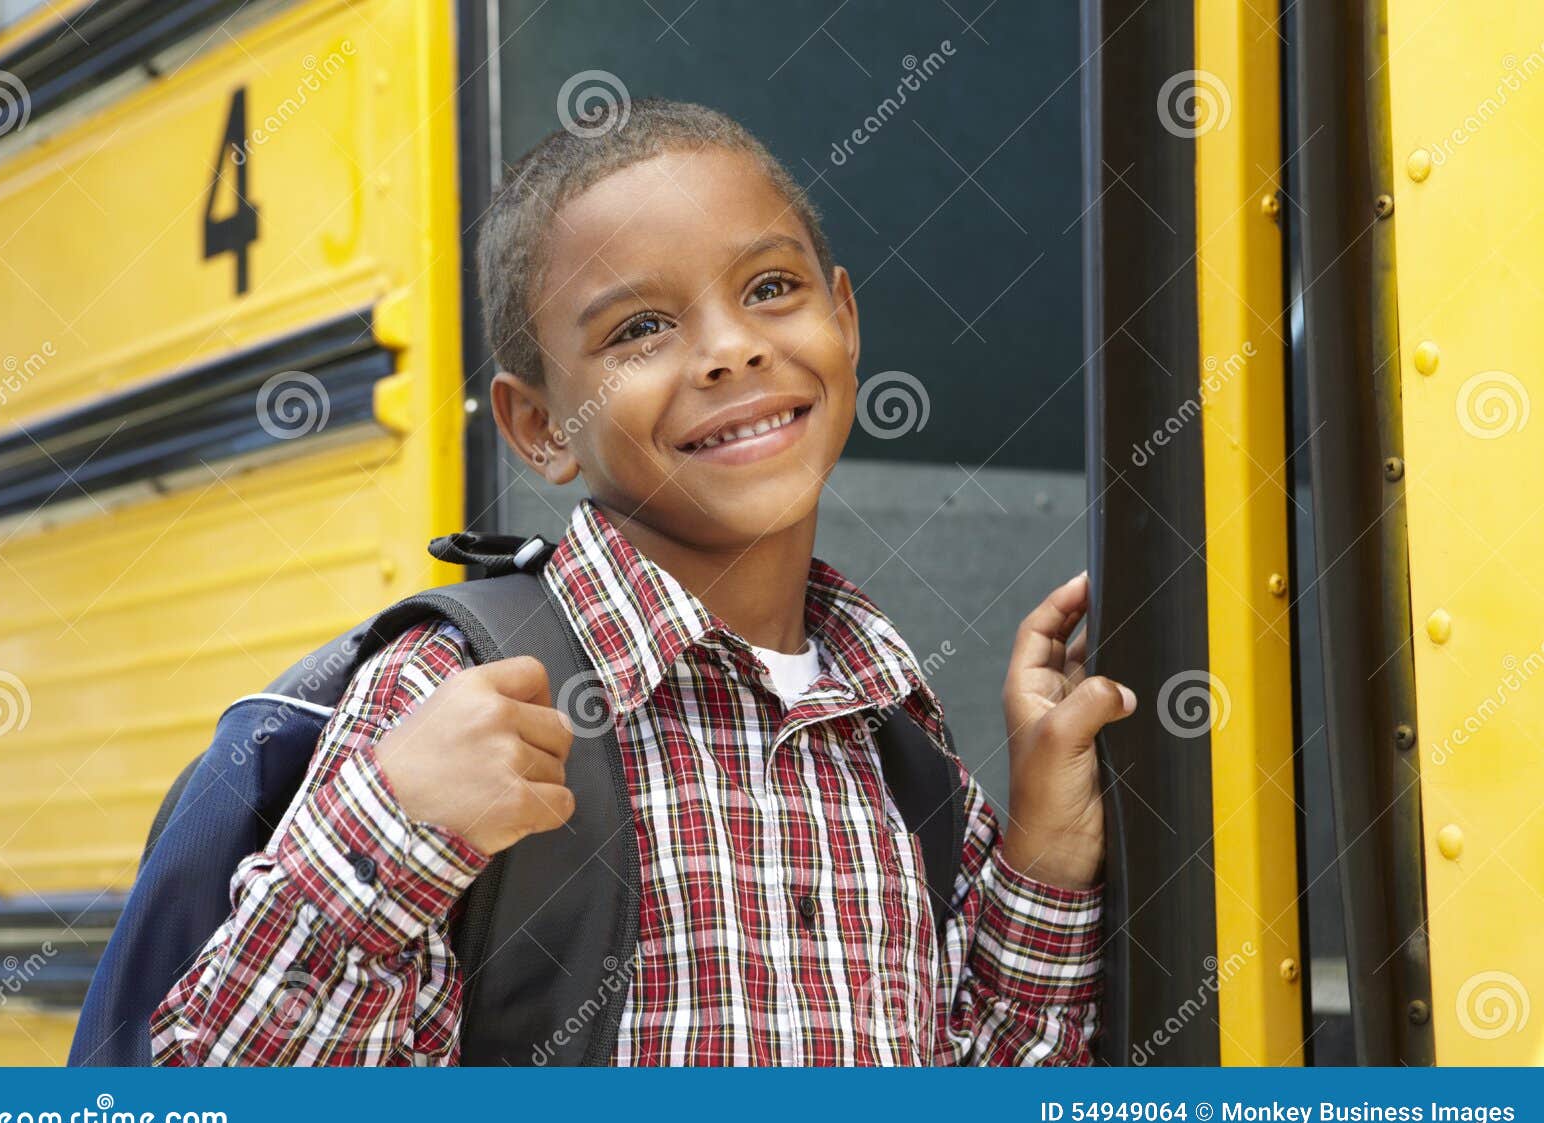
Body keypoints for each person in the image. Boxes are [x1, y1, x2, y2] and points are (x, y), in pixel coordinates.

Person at [149, 98, 1136, 1066]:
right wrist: (398, 824)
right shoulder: (458, 697)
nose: (730, 349)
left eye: (770, 288)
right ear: (539, 427)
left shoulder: (897, 741)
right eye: (641, 329)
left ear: (844, 317)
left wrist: (1042, 857)